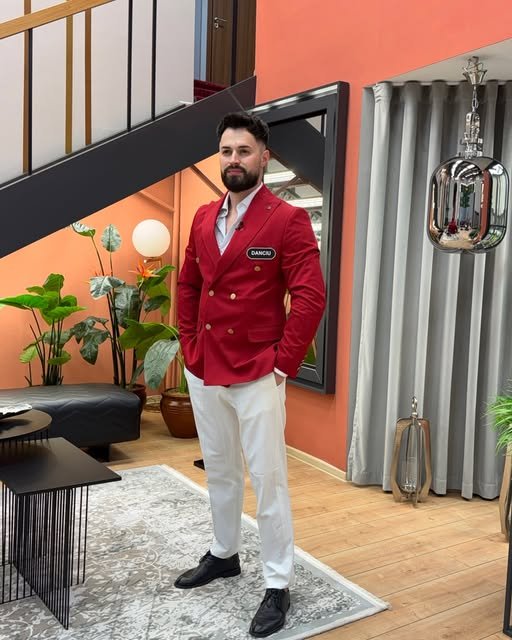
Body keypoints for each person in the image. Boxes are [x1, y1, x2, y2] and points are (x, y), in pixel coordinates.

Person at [175, 111, 326, 638]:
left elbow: (310, 297)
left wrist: (283, 364)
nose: (233, 160)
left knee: (268, 478)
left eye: (243, 151)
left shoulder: (287, 219)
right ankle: (224, 553)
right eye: (226, 151)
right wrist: (189, 345)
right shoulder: (202, 217)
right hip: (205, 366)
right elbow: (189, 284)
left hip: (258, 369)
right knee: (219, 467)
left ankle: (277, 581)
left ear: (264, 156)